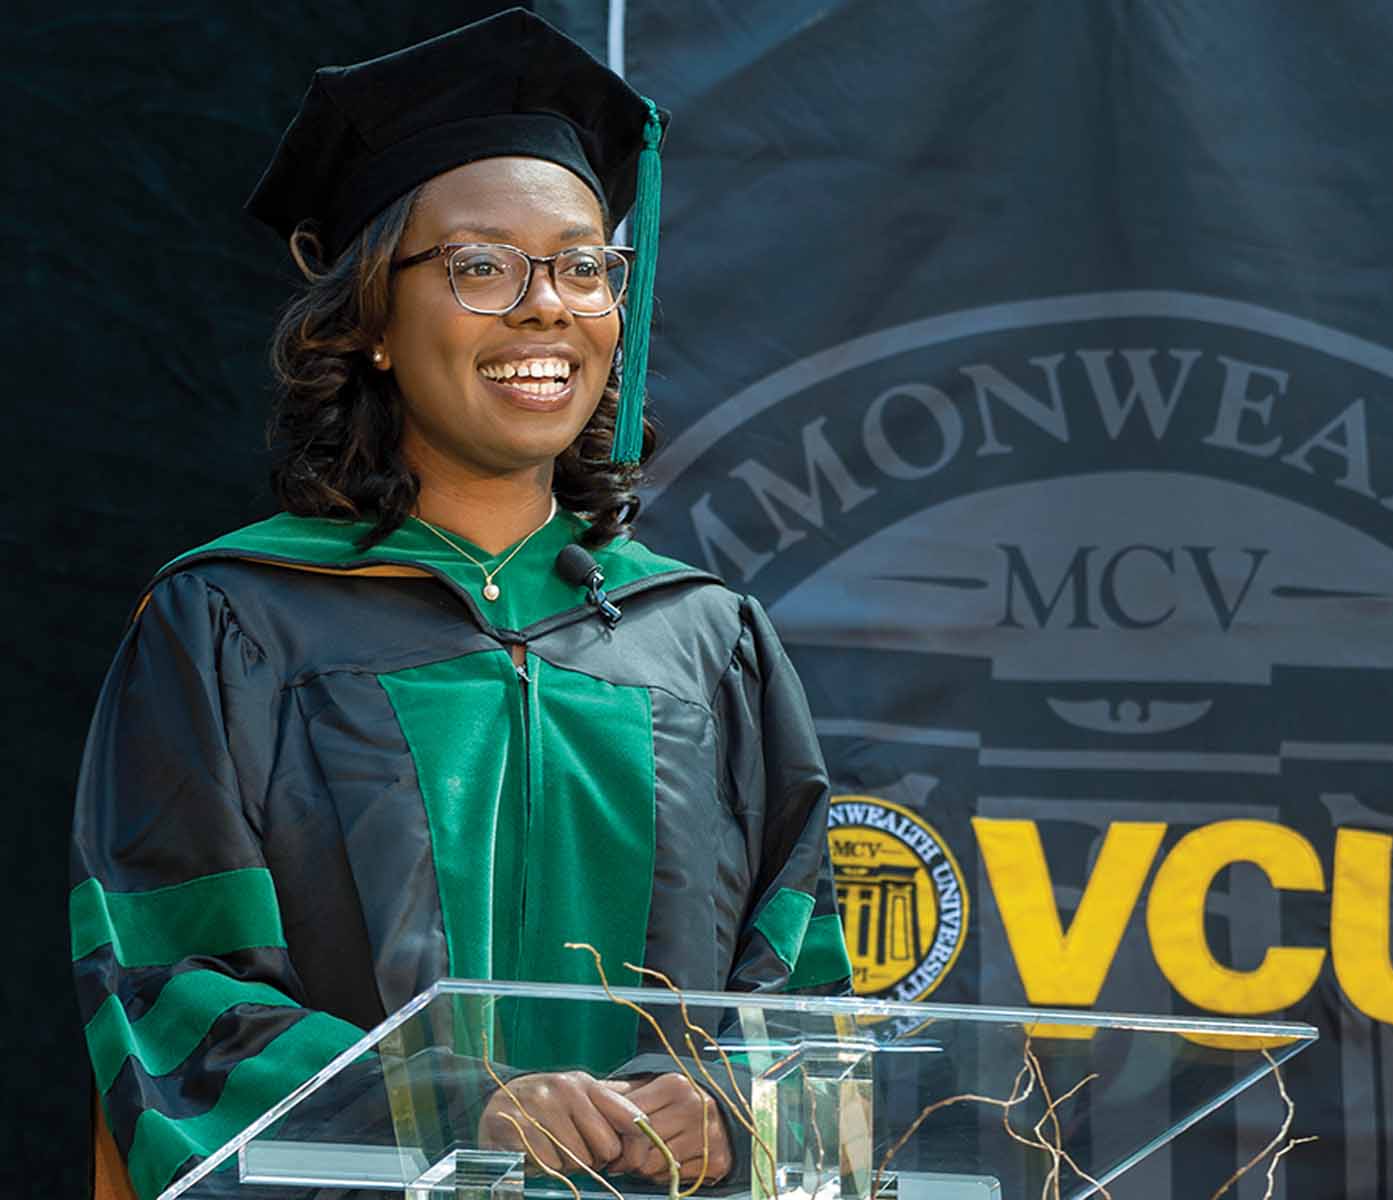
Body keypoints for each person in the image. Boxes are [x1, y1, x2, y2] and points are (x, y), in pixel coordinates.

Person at [68, 10, 851, 1199]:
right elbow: (170, 989)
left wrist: (732, 1101)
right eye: (483, 266)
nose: (548, 307)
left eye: (585, 267)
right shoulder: (236, 622)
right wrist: (447, 1106)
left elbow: (804, 982)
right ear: (375, 317)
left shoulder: (704, 642)